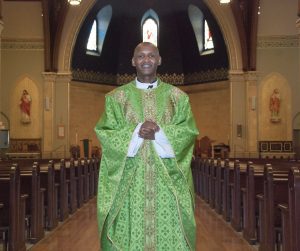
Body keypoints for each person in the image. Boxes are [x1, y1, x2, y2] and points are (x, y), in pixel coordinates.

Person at [94, 42, 199, 250]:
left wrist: (159, 132)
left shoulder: (178, 98)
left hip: (167, 183)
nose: (146, 60)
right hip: (131, 184)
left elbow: (188, 132)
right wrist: (137, 131)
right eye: (141, 56)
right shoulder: (116, 98)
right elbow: (106, 133)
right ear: (133, 62)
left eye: (151, 56)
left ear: (159, 60)